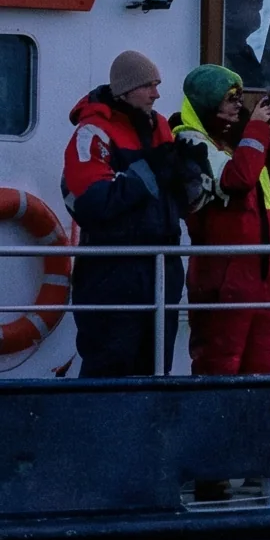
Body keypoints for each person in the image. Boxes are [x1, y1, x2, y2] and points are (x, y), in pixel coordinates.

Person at [172, 64, 270, 376]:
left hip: (261, 273)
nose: (239, 103)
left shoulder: (241, 142)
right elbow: (237, 179)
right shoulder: (190, 144)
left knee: (264, 367)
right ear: (208, 101)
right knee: (219, 365)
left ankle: (259, 425)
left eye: (239, 96)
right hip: (222, 276)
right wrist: (258, 130)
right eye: (230, 97)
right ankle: (216, 424)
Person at [60, 51, 188, 376]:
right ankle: (99, 426)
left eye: (157, 85)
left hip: (162, 268)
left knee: (158, 368)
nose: (156, 94)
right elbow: (92, 202)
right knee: (109, 368)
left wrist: (189, 174)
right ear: (126, 89)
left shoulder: (160, 126)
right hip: (113, 270)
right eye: (149, 85)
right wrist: (153, 171)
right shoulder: (93, 133)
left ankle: (151, 428)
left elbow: (176, 198)